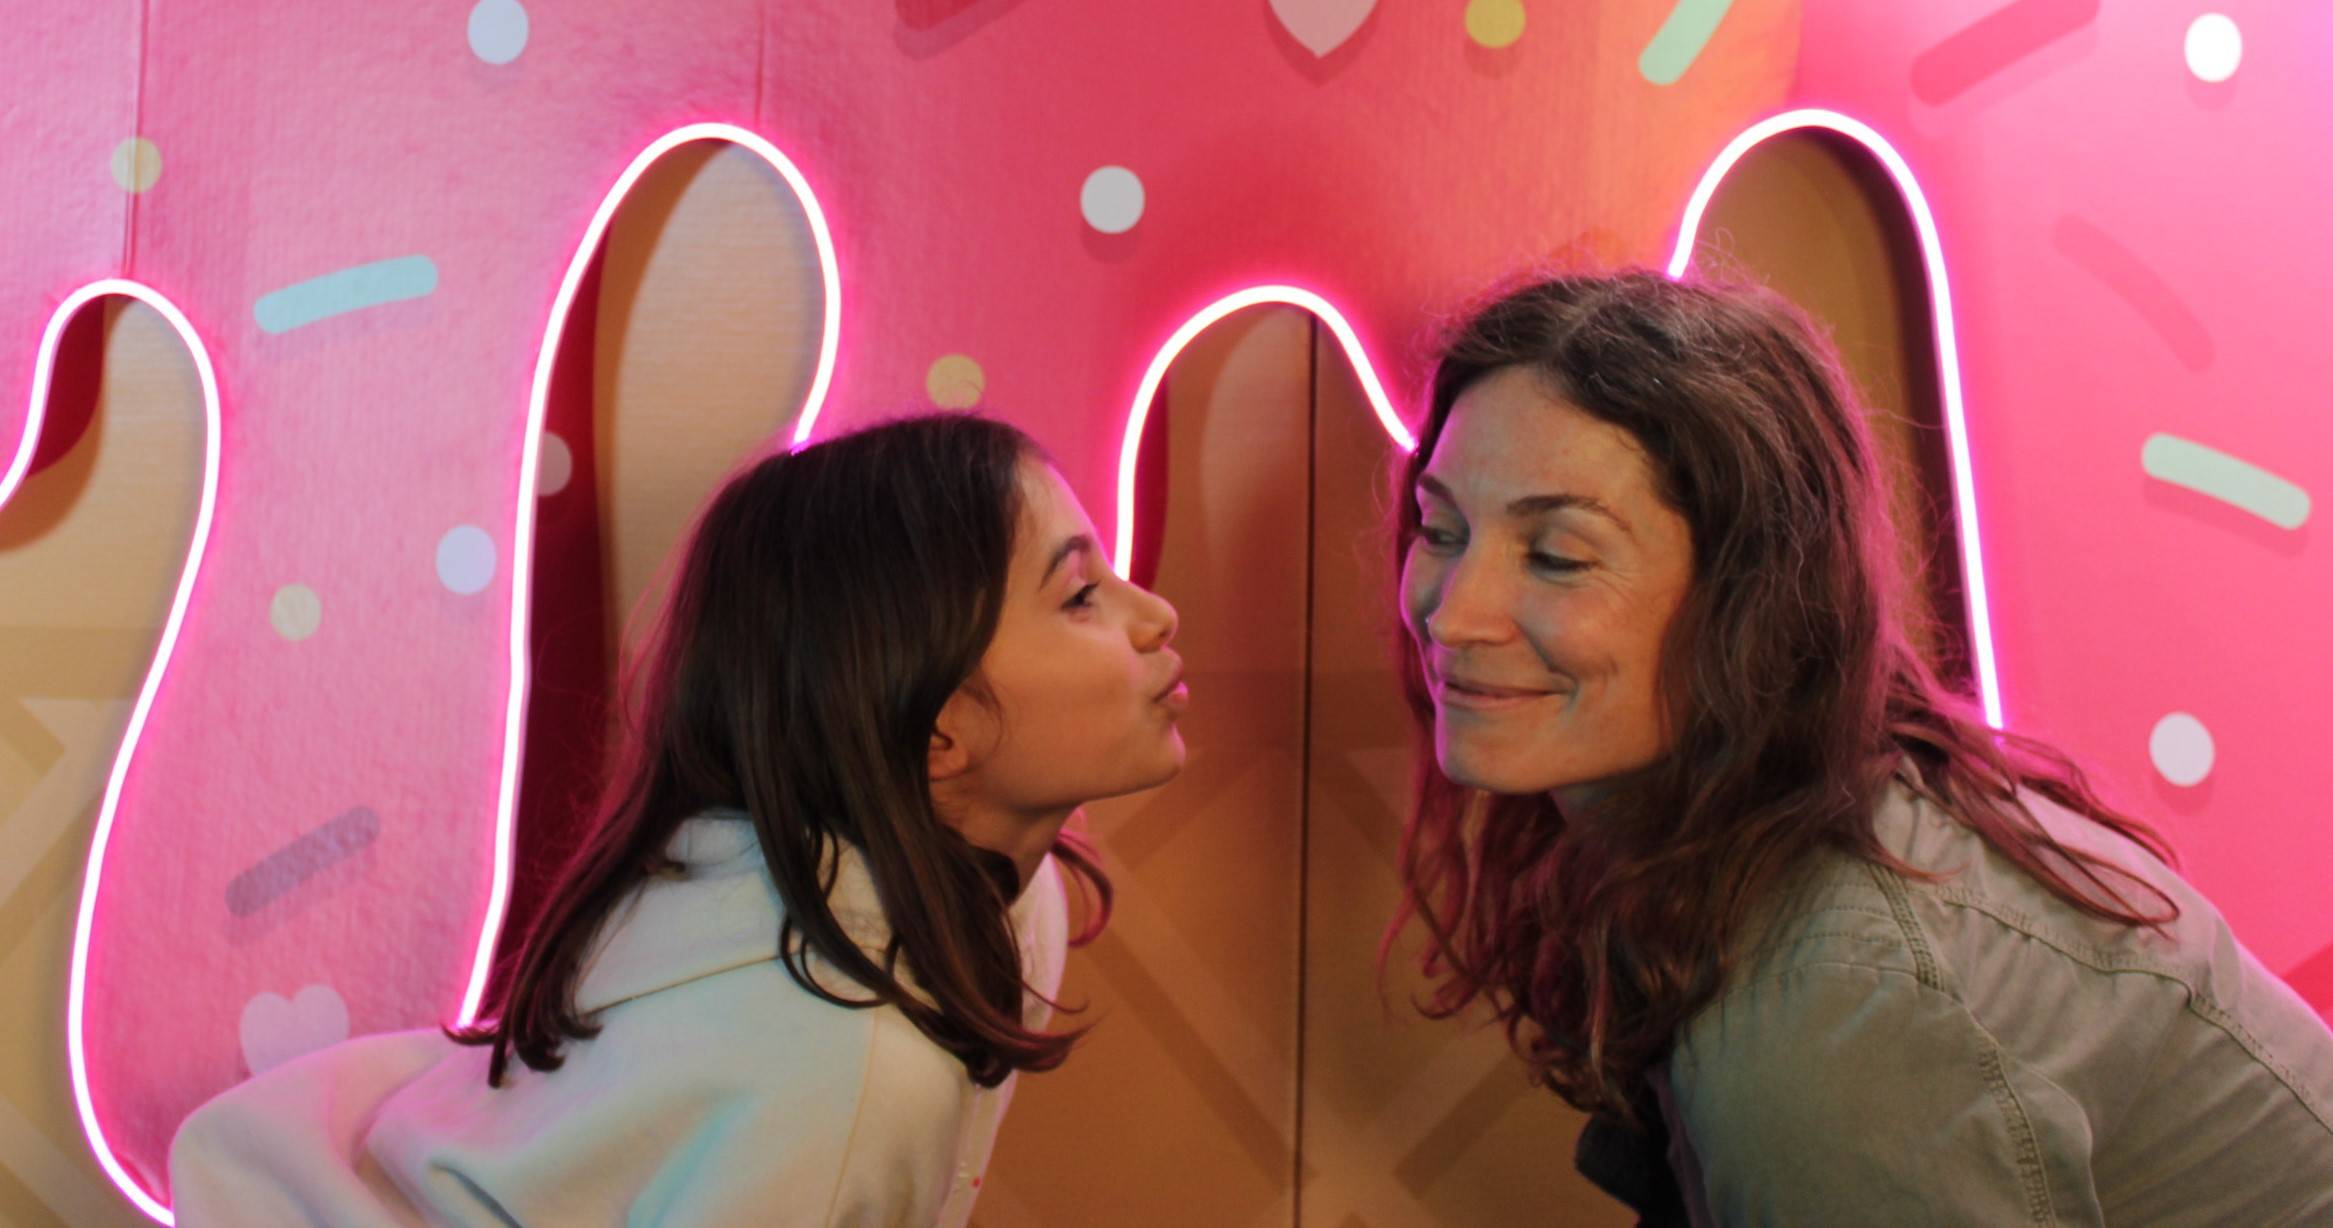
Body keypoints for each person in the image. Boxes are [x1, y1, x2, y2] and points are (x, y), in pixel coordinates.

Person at [1386, 270, 2333, 1224]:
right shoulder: (1779, 827)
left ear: (1751, 601)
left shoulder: (1833, 1004)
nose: (1453, 615)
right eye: (1442, 529)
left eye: (1556, 557)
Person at [169, 413, 1188, 1226]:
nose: (1156, 616)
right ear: (940, 729)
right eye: (1080, 596)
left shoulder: (1008, 897)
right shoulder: (847, 1067)